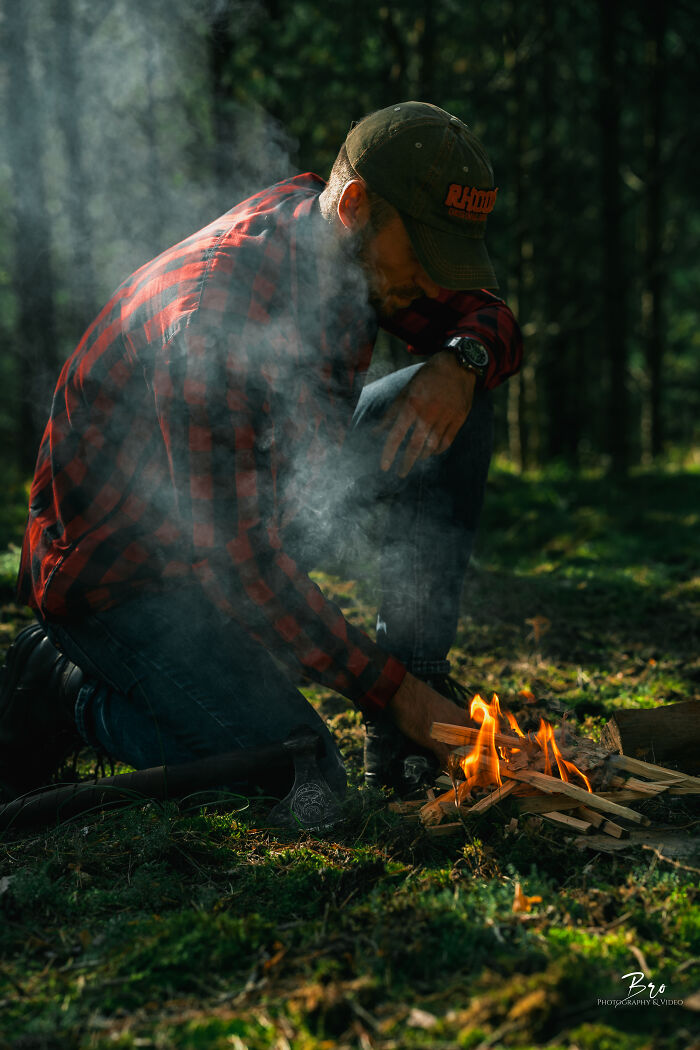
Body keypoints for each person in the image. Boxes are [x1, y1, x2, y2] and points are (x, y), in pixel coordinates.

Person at [0, 102, 522, 803]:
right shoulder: (214, 317)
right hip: (122, 584)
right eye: (427, 255)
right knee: (302, 781)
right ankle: (70, 693)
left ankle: (416, 697)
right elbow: (242, 567)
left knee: (456, 405)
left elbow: (485, 316)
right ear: (358, 206)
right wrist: (395, 698)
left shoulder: (356, 255)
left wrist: (464, 358)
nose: (437, 284)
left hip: (251, 512)